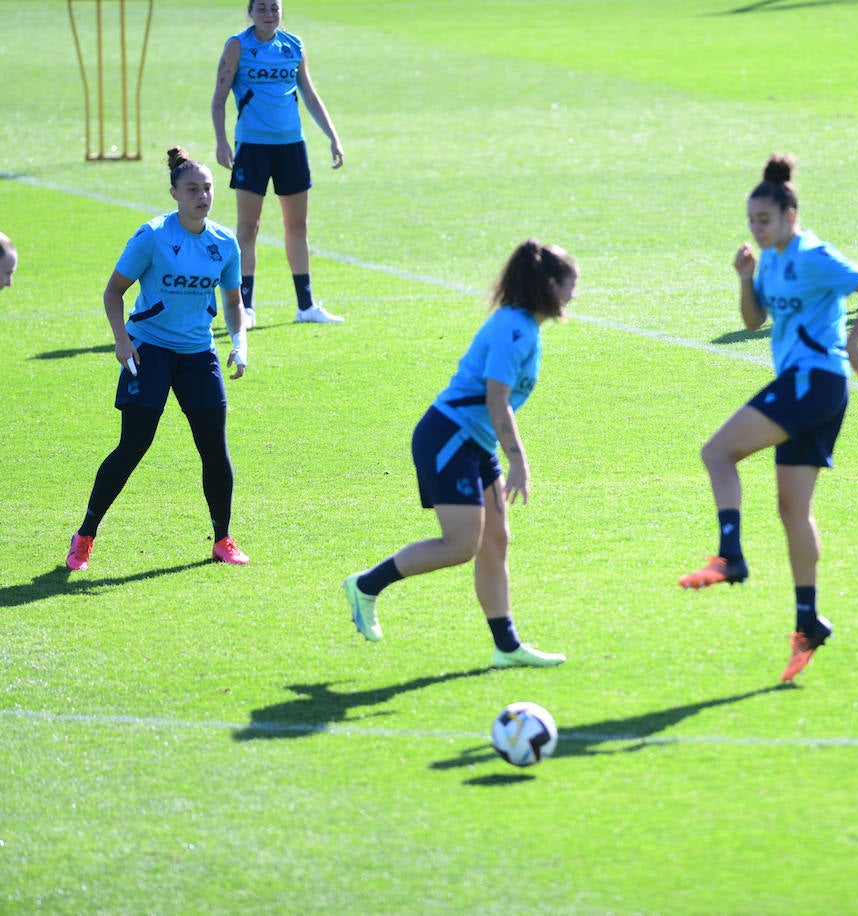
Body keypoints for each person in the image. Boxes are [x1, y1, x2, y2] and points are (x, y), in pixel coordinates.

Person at [677, 154, 858, 683]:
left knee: (716, 452)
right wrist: (746, 278)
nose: (755, 228)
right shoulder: (767, 258)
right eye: (750, 220)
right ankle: (807, 619)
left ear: (791, 216)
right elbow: (754, 321)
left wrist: (855, 343)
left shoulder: (813, 253)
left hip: (814, 382)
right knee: (793, 510)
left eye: (764, 220)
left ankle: (730, 555)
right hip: (812, 387)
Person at [343, 239, 577, 670]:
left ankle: (506, 647)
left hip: (473, 441)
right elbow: (496, 400)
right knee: (461, 544)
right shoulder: (515, 330)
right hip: (448, 436)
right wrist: (520, 460)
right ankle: (365, 585)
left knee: (495, 541)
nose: (573, 295)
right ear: (548, 285)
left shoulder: (526, 325)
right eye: (569, 285)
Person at [66, 147, 251, 572]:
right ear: (174, 193)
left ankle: (222, 538)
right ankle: (85, 535)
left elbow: (233, 300)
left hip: (197, 353)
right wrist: (121, 340)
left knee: (214, 450)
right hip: (148, 350)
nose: (202, 196)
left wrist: (240, 343)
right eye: (192, 190)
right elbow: (114, 291)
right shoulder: (152, 236)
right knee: (134, 444)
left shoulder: (223, 244)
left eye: (207, 189)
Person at [211, 0, 345, 326]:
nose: (269, 14)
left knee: (297, 227)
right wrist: (222, 141)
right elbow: (219, 97)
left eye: (275, 8)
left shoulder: (294, 45)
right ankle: (245, 309)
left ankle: (306, 306)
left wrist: (333, 137)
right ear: (250, 12)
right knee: (248, 228)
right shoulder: (237, 46)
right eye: (262, 8)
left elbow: (310, 95)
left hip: (291, 147)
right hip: (253, 147)